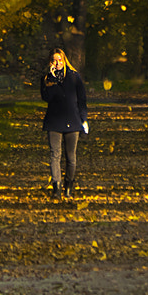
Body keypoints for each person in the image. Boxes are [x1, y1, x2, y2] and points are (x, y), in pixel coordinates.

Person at [40, 46, 89, 198]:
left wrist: (84, 119)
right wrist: (52, 79)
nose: (57, 63)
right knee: (55, 155)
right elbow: (47, 97)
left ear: (64, 60)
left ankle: (69, 185)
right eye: (54, 60)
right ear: (50, 62)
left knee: (71, 157)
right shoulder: (47, 79)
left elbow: (82, 100)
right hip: (54, 121)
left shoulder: (74, 77)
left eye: (59, 60)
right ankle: (57, 187)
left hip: (72, 121)